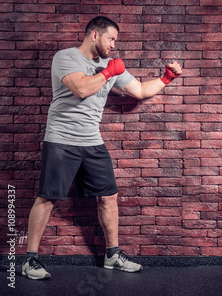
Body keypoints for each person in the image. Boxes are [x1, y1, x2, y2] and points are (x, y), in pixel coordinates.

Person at [22, 16, 183, 280]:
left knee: (108, 196)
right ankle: (30, 260)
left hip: (92, 141)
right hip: (62, 139)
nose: (113, 45)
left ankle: (112, 255)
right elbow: (81, 88)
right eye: (111, 39)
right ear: (95, 35)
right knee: (48, 197)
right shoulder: (66, 57)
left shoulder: (111, 64)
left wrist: (166, 78)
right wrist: (109, 72)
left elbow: (141, 91)